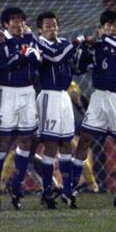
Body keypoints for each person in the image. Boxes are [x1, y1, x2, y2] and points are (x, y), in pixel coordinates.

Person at [72, 10, 116, 208]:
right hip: (99, 98)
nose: (111, 28)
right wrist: (82, 47)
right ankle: (71, 187)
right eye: (107, 25)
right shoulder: (96, 46)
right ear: (102, 27)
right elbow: (79, 68)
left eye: (115, 25)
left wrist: (99, 39)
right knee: (84, 140)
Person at [0, 7, 41, 210]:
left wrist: (27, 51)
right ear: (5, 24)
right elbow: (3, 64)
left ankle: (16, 186)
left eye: (21, 19)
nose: (18, 23)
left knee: (26, 140)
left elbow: (38, 58)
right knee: (4, 140)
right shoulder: (1, 40)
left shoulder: (30, 39)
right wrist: (23, 53)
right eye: (13, 20)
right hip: (8, 93)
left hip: (28, 92)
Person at [36, 11, 79, 209]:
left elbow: (75, 66)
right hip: (48, 96)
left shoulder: (63, 43)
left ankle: (67, 189)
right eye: (47, 26)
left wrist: (83, 51)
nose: (52, 29)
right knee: (51, 144)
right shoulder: (39, 45)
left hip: (63, 96)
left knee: (66, 144)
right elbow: (54, 58)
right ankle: (47, 190)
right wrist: (75, 44)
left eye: (54, 25)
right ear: (40, 30)